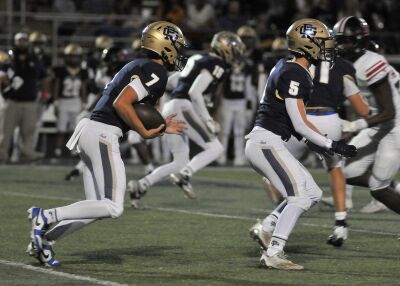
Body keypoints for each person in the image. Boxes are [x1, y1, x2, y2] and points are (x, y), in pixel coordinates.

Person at [26, 21, 187, 267]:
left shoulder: (137, 65)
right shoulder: (156, 72)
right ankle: (45, 216)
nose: (179, 51)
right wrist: (144, 131)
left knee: (95, 207)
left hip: (91, 128)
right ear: (164, 46)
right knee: (113, 206)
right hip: (103, 133)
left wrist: (161, 125)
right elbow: (122, 103)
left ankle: (44, 241)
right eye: (176, 45)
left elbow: (131, 106)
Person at [244, 18, 357, 270]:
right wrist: (333, 145)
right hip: (265, 142)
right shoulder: (295, 73)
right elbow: (301, 123)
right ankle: (274, 252)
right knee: (298, 197)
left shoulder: (289, 67)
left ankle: (267, 228)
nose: (328, 46)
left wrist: (323, 145)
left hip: (268, 141)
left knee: (313, 193)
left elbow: (299, 127)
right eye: (323, 41)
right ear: (309, 45)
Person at [252, 56, 369, 248]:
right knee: (333, 168)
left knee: (297, 182)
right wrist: (358, 123)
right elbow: (362, 109)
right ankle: (340, 224)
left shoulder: (287, 64)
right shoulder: (341, 65)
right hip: (326, 118)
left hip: (300, 117)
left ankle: (272, 222)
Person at [127, 31, 245, 207]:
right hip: (183, 106)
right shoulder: (217, 63)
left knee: (179, 161)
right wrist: (208, 120)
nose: (236, 53)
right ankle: (185, 174)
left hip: (173, 106)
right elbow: (194, 92)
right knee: (216, 147)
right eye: (234, 48)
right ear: (224, 48)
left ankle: (141, 185)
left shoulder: (198, 58)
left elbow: (174, 81)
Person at [333, 16, 400, 214]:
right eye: (339, 41)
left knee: (378, 190)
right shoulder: (353, 62)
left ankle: (385, 184)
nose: (341, 46)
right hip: (379, 124)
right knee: (345, 172)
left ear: (359, 41)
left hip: (395, 126)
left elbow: (389, 112)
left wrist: (353, 127)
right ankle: (390, 184)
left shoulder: (370, 63)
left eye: (347, 41)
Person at [0, 32, 47, 163]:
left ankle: (26, 154)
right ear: (15, 42)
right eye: (20, 40)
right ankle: (2, 155)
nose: (22, 43)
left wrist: (45, 93)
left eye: (25, 40)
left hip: (30, 101)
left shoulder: (34, 58)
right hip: (11, 100)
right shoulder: (7, 57)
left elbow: (43, 77)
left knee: (29, 131)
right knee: (5, 131)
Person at [53, 43, 88, 157]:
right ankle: (57, 150)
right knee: (61, 128)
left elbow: (83, 87)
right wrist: (56, 100)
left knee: (75, 127)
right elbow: (57, 85)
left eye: (75, 56)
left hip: (76, 101)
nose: (73, 58)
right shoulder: (61, 70)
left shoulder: (83, 71)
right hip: (63, 101)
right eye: (71, 56)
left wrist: (83, 101)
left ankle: (73, 150)